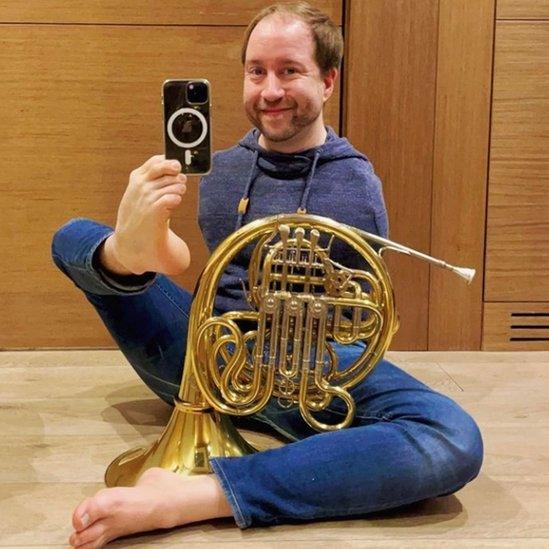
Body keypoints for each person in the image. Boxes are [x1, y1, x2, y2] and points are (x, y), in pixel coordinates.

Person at [51, 2, 483, 547]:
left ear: (328, 81)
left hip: (307, 374)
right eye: (257, 71)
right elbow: (209, 272)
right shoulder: (223, 167)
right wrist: (144, 238)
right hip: (207, 354)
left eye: (289, 70)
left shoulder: (355, 187)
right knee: (73, 235)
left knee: (452, 437)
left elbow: (353, 319)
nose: (270, 90)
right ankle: (129, 253)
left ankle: (199, 495)